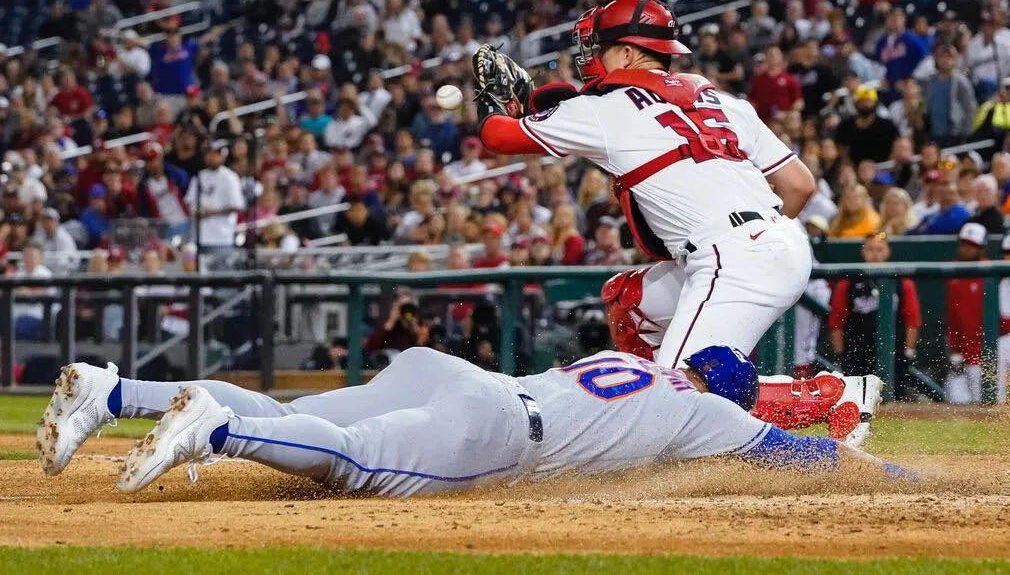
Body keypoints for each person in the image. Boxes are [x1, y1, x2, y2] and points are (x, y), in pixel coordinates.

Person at [473, 0, 882, 443]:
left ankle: (831, 393)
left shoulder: (602, 108)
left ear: (627, 52)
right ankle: (651, 422)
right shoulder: (722, 101)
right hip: (770, 239)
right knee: (630, 300)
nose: (589, 59)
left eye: (598, 48)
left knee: (674, 403)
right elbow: (800, 186)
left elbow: (497, 137)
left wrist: (495, 104)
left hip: (731, 256)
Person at [40, 346, 916, 497]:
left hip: (459, 376)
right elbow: (804, 458)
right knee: (349, 461)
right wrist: (906, 477)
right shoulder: (705, 413)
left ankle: (114, 395)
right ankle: (214, 429)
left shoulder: (634, 366)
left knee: (294, 411)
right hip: (495, 434)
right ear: (725, 390)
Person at [828, 233, 922, 400]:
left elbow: (912, 320)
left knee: (893, 399)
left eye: (880, 249)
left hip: (893, 350)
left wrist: (909, 351)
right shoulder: (849, 281)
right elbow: (837, 322)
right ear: (863, 252)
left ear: (888, 252)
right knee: (857, 400)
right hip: (857, 351)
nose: (875, 254)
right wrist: (841, 354)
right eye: (870, 249)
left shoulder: (901, 281)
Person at [945, 222, 987, 404]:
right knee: (954, 398)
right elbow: (953, 314)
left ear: (981, 248)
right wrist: (954, 348)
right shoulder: (953, 270)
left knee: (984, 404)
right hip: (962, 350)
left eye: (972, 246)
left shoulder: (990, 269)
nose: (966, 249)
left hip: (986, 350)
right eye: (964, 244)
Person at [184, 141, 245, 250]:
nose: (211, 157)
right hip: (198, 237)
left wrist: (210, 212)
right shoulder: (199, 176)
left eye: (215, 154)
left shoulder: (230, 177)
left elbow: (237, 206)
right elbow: (189, 202)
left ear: (223, 156)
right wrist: (196, 211)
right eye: (209, 154)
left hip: (221, 238)